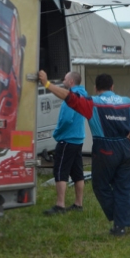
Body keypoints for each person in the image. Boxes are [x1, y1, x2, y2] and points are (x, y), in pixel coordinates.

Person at [38, 70, 130, 236]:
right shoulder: (126, 102)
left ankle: (123, 222)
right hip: (126, 148)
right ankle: (126, 219)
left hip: (105, 149)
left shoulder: (92, 103)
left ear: (96, 88)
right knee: (123, 187)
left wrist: (47, 84)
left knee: (101, 186)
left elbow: (68, 97)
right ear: (112, 86)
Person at [44, 71, 87, 215]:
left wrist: (57, 132)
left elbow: (67, 119)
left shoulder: (71, 97)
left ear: (71, 82)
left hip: (67, 139)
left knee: (61, 171)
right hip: (78, 138)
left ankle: (60, 205)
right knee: (77, 172)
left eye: (66, 78)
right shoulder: (84, 95)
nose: (63, 79)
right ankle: (78, 204)